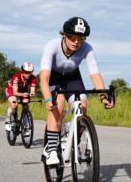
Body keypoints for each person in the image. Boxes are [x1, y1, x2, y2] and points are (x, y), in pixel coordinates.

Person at [38, 17, 114, 166]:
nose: (76, 42)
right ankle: (51, 149)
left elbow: (95, 74)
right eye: (72, 37)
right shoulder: (52, 45)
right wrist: (48, 100)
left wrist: (103, 96)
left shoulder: (87, 48)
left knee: (82, 107)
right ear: (64, 35)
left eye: (81, 39)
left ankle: (69, 131)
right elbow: (44, 78)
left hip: (72, 77)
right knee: (58, 105)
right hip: (54, 77)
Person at [4, 62, 38, 131]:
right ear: (22, 71)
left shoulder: (33, 78)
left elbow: (32, 91)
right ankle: (7, 119)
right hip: (11, 89)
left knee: (26, 103)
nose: (28, 74)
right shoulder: (16, 77)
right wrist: (23, 94)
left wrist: (32, 94)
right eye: (26, 72)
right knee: (14, 104)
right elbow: (15, 92)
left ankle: (26, 126)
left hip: (22, 91)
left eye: (30, 72)